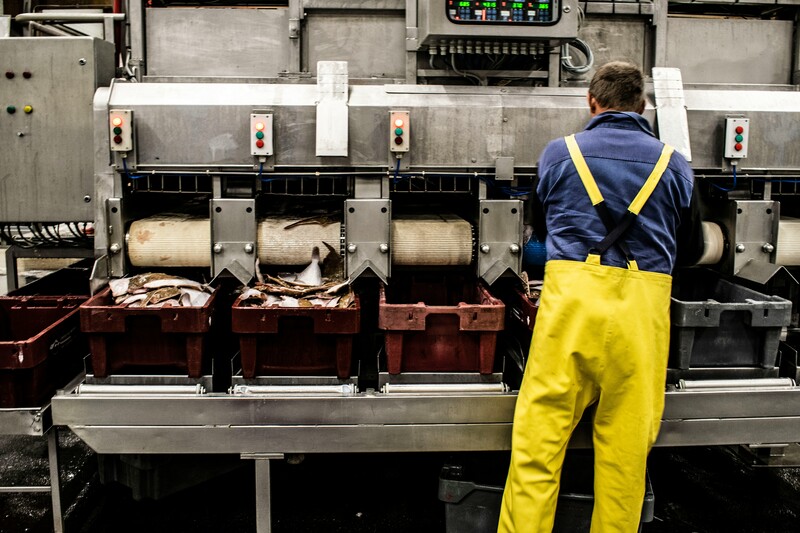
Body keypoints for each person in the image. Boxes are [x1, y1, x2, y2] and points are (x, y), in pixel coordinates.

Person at [498, 61, 705, 532]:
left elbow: (540, 229)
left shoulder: (559, 154)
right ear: (642, 106)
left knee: (537, 449)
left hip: (570, 314)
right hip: (639, 322)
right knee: (625, 459)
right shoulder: (674, 164)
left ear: (592, 102)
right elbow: (691, 248)